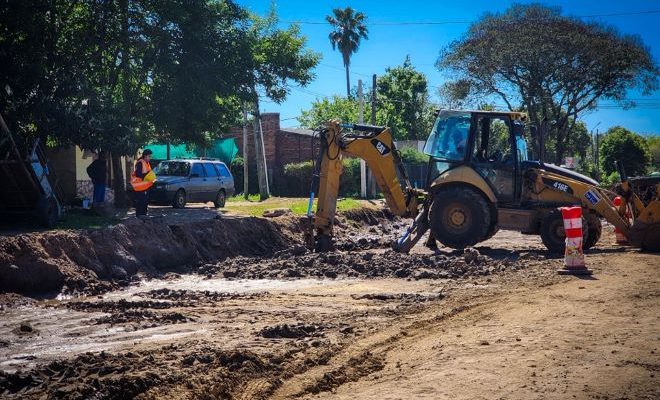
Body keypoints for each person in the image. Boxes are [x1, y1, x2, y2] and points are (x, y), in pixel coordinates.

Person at [130, 149, 154, 218]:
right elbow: (138, 174)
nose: (150, 158)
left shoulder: (147, 163)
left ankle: (143, 217)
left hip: (145, 187)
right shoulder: (140, 163)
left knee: (145, 202)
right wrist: (148, 175)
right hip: (140, 187)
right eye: (149, 156)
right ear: (145, 156)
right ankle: (139, 217)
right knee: (141, 202)